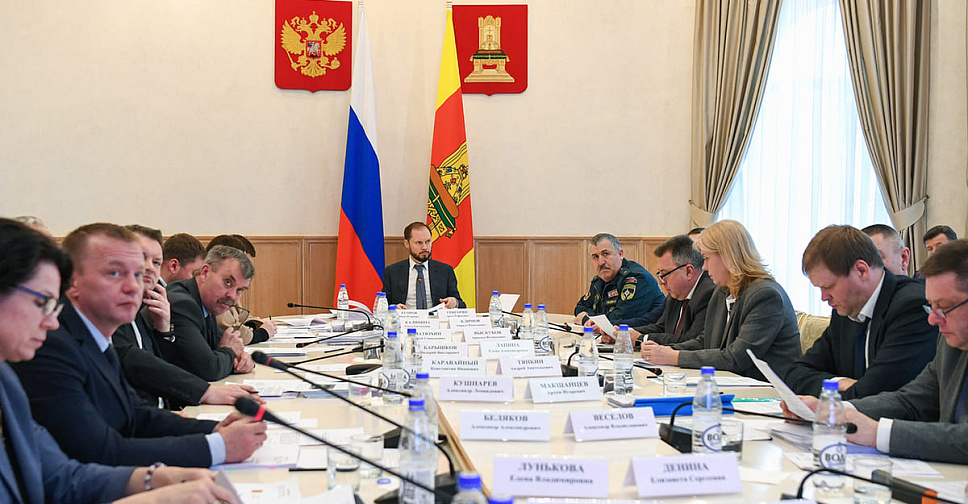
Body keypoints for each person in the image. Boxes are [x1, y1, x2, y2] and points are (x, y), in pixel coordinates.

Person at [0, 219, 239, 504]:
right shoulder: (51, 348)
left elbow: (62, 477)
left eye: (138, 274)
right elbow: (96, 452)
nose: (52, 321)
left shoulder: (7, 381)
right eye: (42, 303)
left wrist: (155, 479)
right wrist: (155, 496)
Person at [783, 239, 968, 464]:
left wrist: (878, 433)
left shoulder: (914, 310)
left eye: (945, 307)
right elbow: (910, 401)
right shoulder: (951, 344)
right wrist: (834, 409)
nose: (932, 319)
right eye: (933, 306)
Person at [114, 225, 261, 409]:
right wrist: (207, 390)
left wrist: (241, 356)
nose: (150, 268)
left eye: (157, 262)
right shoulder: (181, 302)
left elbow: (155, 365)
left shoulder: (154, 306)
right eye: (141, 258)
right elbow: (207, 367)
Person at [785, 225, 937, 399]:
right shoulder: (845, 311)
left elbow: (875, 394)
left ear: (861, 270)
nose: (824, 297)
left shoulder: (910, 308)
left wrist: (843, 388)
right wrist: (839, 383)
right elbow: (794, 375)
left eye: (829, 286)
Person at [640, 220, 801, 380]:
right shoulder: (722, 291)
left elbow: (737, 358)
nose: (704, 267)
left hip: (768, 389)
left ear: (728, 256)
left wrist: (675, 357)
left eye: (706, 259)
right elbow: (706, 341)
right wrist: (666, 350)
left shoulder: (765, 296)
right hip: (733, 382)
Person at [160, 245, 257, 381]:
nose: (233, 296)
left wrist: (243, 358)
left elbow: (223, 344)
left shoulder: (207, 304)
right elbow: (209, 368)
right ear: (205, 272)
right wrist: (230, 353)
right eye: (228, 282)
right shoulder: (182, 304)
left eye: (239, 290)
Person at [600, 235, 714, 348]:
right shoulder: (676, 293)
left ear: (689, 271)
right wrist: (624, 333)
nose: (661, 282)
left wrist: (641, 339)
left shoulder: (708, 294)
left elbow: (691, 341)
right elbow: (661, 327)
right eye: (660, 274)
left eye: (665, 274)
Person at [574, 233, 664, 327]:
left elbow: (619, 319)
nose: (601, 262)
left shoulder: (638, 279)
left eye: (606, 254)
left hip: (648, 335)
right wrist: (594, 318)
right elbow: (580, 307)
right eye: (595, 257)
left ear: (620, 254)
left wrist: (586, 319)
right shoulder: (599, 281)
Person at [206, 234, 277, 345]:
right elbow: (229, 329)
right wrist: (263, 333)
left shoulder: (230, 287)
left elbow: (241, 316)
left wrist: (254, 324)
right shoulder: (215, 290)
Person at [382, 222, 465, 309]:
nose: (424, 247)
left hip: (435, 317)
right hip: (405, 317)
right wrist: (393, 308)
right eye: (419, 243)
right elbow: (383, 306)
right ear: (407, 244)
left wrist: (454, 302)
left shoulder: (445, 271)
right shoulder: (392, 272)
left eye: (428, 242)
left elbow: (461, 305)